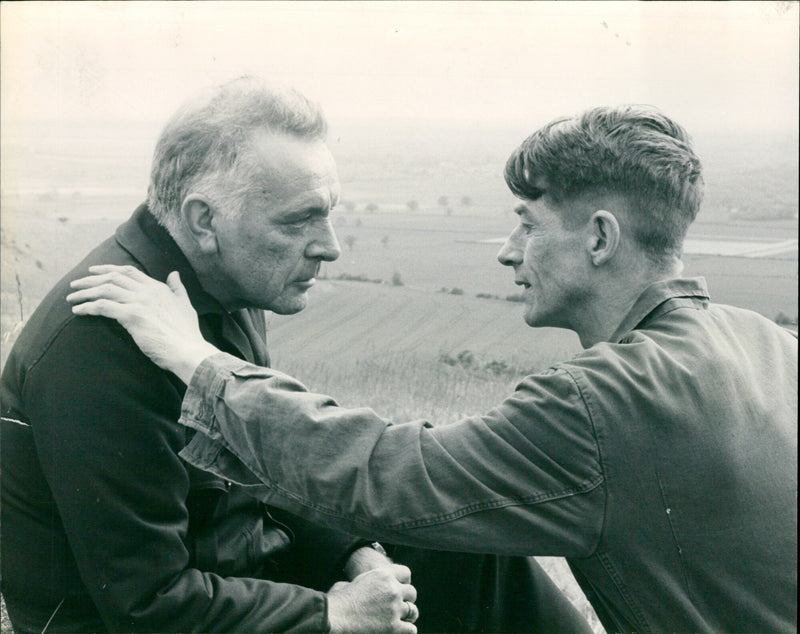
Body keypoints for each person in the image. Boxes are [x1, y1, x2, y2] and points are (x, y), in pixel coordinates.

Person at [69, 105, 797, 634]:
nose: (510, 252)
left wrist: (199, 362)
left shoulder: (605, 400)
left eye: (529, 224)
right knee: (463, 555)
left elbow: (392, 473)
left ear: (600, 238)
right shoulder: (769, 344)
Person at [1, 77, 591, 634]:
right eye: (300, 219)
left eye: (327, 211)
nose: (330, 247)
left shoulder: (227, 286)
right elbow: (146, 605)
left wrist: (355, 551)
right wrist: (329, 615)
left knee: (470, 551)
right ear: (205, 220)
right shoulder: (101, 347)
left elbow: (261, 476)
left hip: (243, 583)